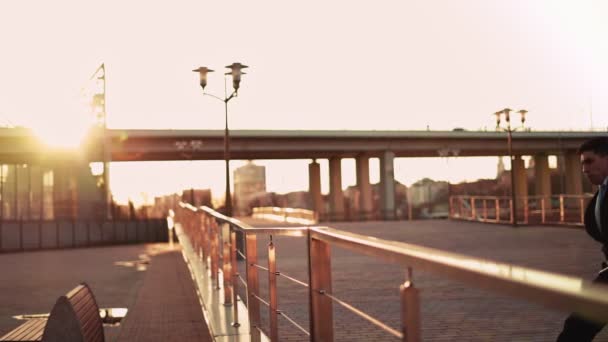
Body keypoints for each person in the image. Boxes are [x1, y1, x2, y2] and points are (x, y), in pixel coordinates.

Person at [557, 136, 608, 341]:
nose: (584, 169)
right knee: (577, 327)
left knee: (577, 328)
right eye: (582, 164)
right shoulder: (602, 191)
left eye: (589, 161)